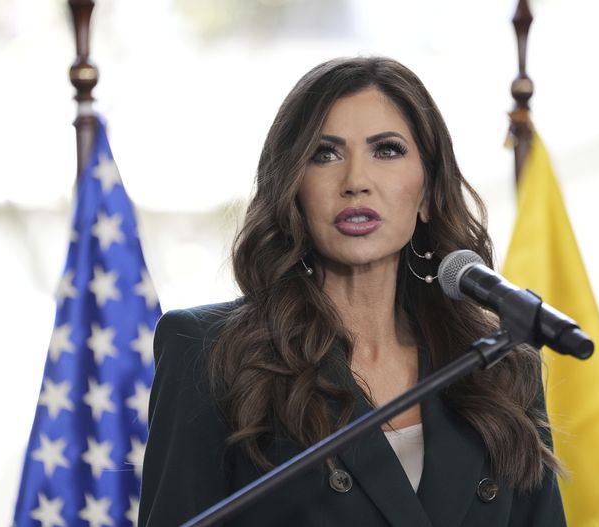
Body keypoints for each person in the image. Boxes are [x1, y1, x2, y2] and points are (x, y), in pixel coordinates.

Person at [138, 56, 566, 527]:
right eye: (325, 154)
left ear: (426, 192)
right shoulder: (207, 350)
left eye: (386, 150)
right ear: (292, 189)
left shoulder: (500, 364)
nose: (356, 182)